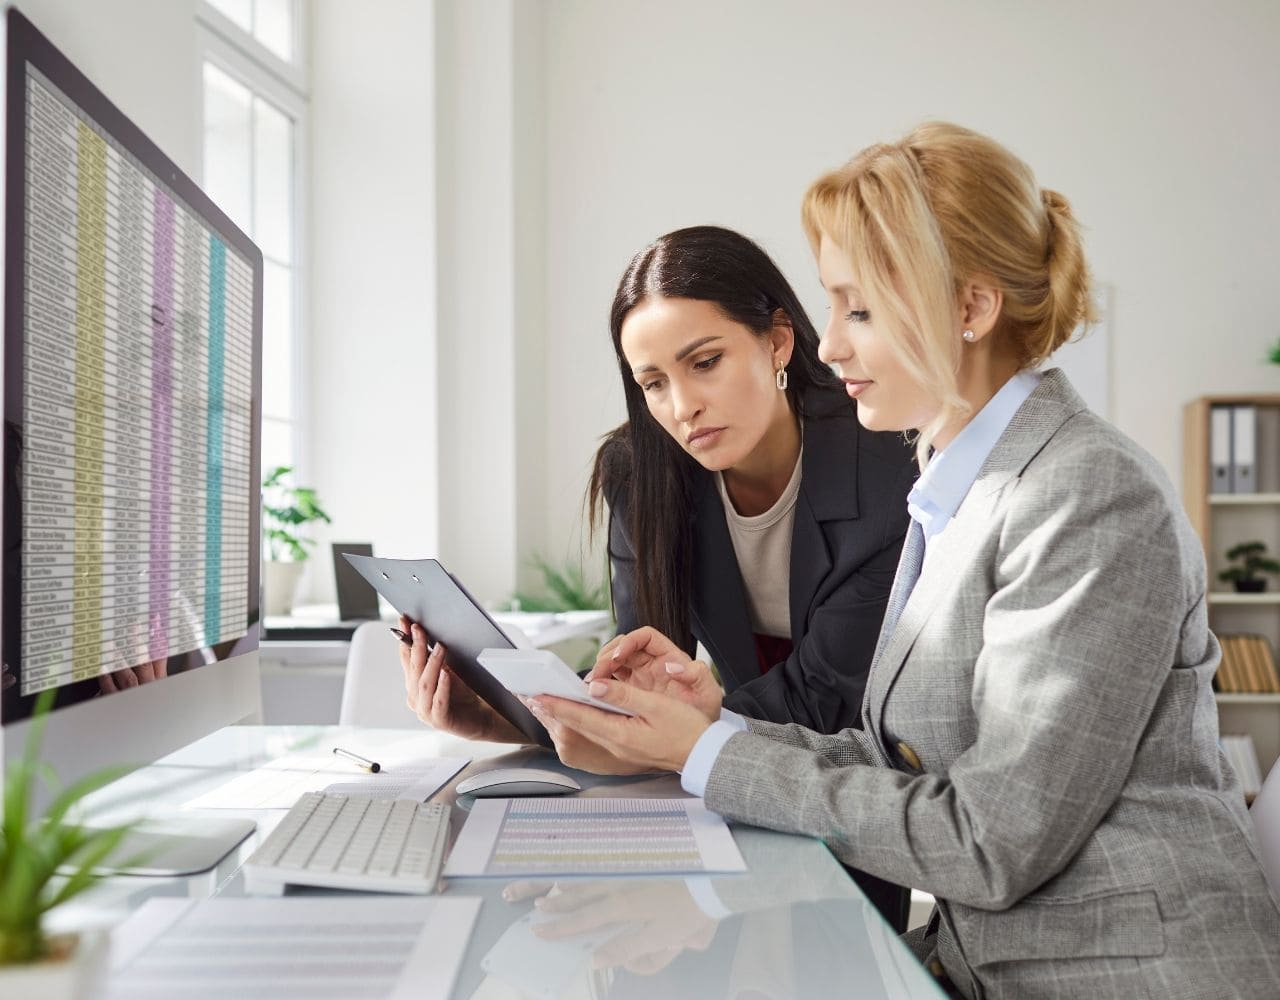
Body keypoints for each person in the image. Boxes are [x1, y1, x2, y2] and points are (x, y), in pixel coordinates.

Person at [527, 122, 1280, 999]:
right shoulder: (959, 487)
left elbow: (991, 841)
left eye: (859, 310)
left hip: (1118, 975)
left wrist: (709, 756)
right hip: (989, 958)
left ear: (971, 309)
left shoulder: (1087, 495)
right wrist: (716, 726)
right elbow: (905, 758)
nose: (830, 346)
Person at [399, 224, 916, 926]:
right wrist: (501, 720)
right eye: (653, 383)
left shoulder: (888, 465)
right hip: (714, 806)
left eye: (705, 362)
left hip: (845, 795)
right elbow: (640, 680)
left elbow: (826, 701)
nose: (681, 406)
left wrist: (658, 741)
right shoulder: (640, 473)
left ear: (778, 341)